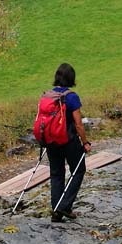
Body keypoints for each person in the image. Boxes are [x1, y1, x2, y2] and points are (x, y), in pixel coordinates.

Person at [48, 62, 91, 222]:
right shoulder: (71, 97)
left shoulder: (48, 96)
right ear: (71, 78)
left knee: (56, 174)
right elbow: (78, 124)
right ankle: (64, 206)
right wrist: (85, 142)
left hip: (51, 141)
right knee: (78, 170)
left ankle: (56, 210)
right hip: (68, 140)